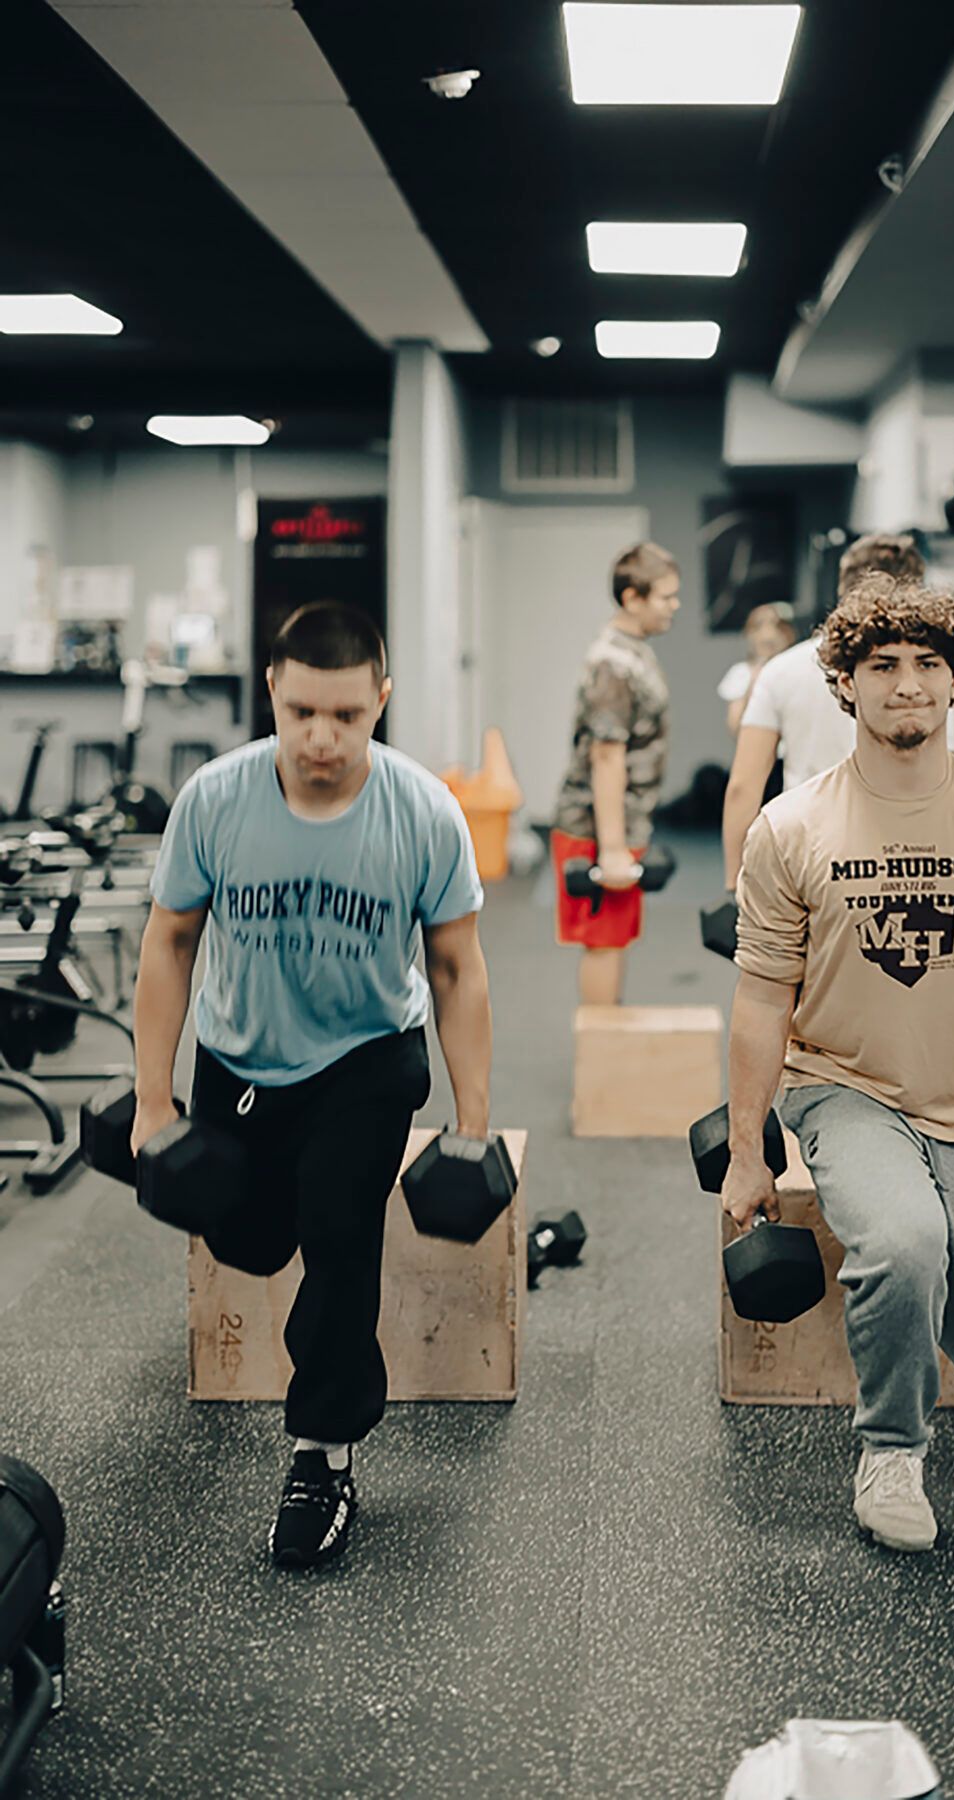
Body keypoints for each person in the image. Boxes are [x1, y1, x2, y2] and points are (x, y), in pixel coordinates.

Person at [721, 573, 954, 1552]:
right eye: (883, 665)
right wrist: (749, 1149)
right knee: (903, 1242)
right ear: (844, 682)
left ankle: (934, 1299)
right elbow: (761, 998)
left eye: (930, 663)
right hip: (845, 1086)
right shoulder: (791, 828)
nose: (908, 684)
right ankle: (891, 1454)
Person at [132, 601, 490, 1569]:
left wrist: (472, 1120)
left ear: (381, 700)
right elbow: (170, 942)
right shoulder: (215, 799)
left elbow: (456, 968)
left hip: (365, 1056)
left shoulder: (422, 810)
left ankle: (322, 1452)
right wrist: (155, 1100)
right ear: (272, 696)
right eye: (301, 714)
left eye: (346, 715)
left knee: (338, 1235)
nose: (322, 738)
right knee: (248, 1242)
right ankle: (259, 1205)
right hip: (240, 1059)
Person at [720, 532, 954, 891]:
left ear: (841, 588)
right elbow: (945, 779)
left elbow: (744, 786)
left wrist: (735, 883)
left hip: (809, 854)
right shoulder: (925, 678)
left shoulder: (782, 669)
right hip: (901, 858)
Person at [551, 542, 679, 1006]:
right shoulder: (613, 664)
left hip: (622, 822)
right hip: (596, 827)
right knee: (603, 941)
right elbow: (606, 756)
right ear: (632, 598)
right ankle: (600, 1046)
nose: (674, 606)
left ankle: (610, 1042)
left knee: (616, 937)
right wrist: (611, 848)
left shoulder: (633, 651)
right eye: (666, 596)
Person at [717, 602, 797, 737]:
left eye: (777, 626)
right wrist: (755, 681)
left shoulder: (797, 670)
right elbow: (735, 727)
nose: (768, 634)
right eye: (758, 626)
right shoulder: (741, 674)